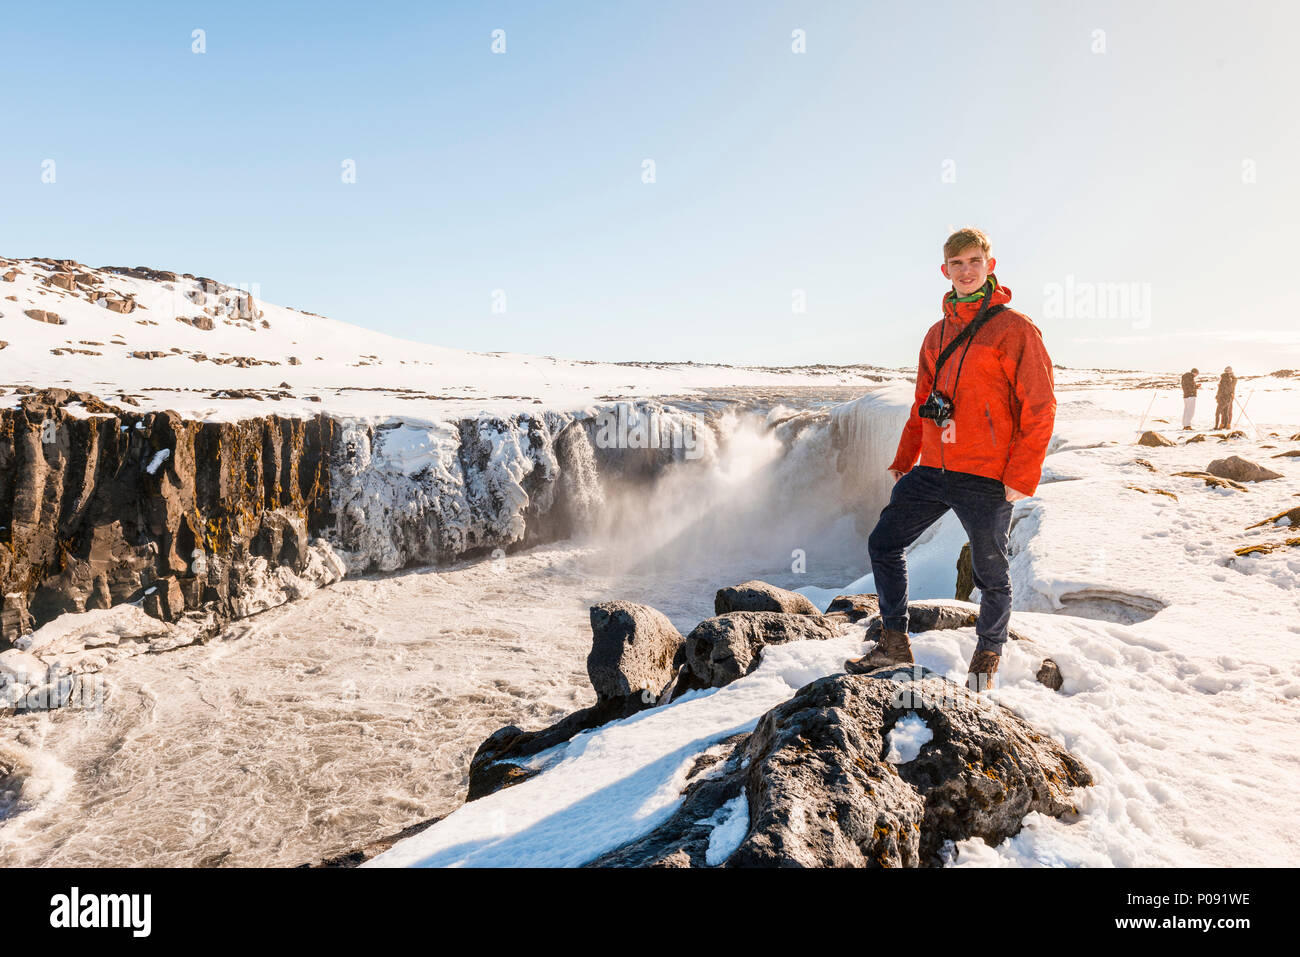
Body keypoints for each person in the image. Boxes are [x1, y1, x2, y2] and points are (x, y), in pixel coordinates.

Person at [844, 227, 1056, 692]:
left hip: (985, 473)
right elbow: (925, 402)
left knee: (990, 571)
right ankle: (894, 641)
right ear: (945, 271)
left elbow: (1039, 407)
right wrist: (906, 457)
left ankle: (987, 658)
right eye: (956, 264)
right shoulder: (936, 334)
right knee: (884, 542)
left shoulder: (1015, 328)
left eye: (974, 261)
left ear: (989, 266)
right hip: (934, 468)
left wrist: (1022, 474)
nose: (965, 271)